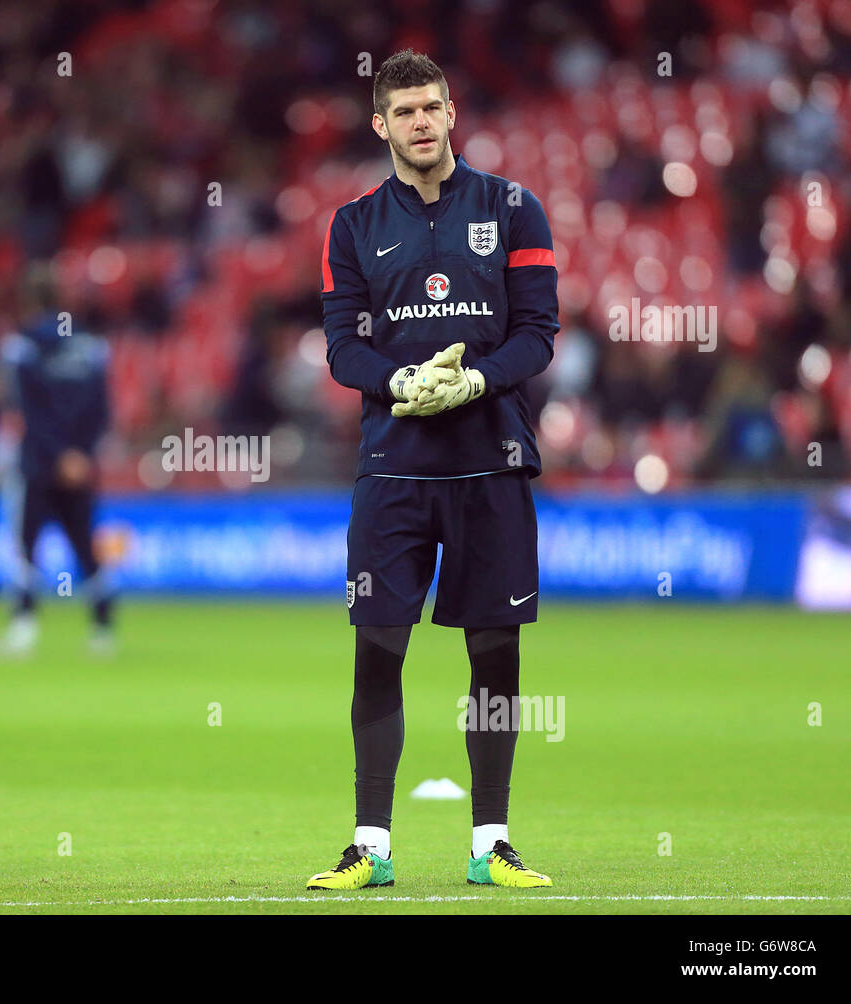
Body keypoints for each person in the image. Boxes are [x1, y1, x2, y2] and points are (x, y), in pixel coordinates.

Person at [308, 50, 559, 890]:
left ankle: (492, 843)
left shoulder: (514, 208)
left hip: (491, 460)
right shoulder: (351, 224)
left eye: (432, 108)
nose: (421, 122)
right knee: (378, 647)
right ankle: (369, 847)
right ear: (380, 125)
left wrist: (479, 379)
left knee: (495, 653)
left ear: (453, 114)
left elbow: (539, 330)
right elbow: (343, 347)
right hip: (395, 467)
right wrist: (402, 381)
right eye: (403, 111)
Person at [0, 267, 114, 656]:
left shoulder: (21, 347)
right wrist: (81, 453)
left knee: (27, 543)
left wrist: (57, 454)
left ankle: (24, 624)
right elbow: (100, 409)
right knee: (84, 543)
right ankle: (102, 628)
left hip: (39, 462)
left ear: (29, 302)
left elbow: (29, 410)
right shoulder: (90, 346)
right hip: (80, 462)